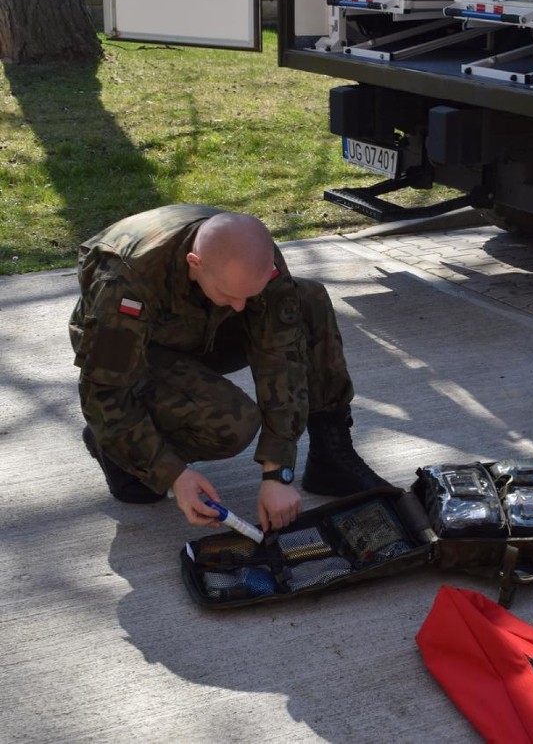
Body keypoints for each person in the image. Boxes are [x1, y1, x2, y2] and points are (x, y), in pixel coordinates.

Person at [69, 203, 390, 532]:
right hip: (139, 347)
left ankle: (331, 456)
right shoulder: (126, 282)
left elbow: (281, 356)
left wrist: (277, 471)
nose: (241, 306)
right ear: (195, 263)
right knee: (232, 422)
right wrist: (174, 475)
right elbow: (103, 391)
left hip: (203, 329)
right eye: (229, 294)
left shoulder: (255, 254)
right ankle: (120, 452)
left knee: (306, 299)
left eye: (248, 296)